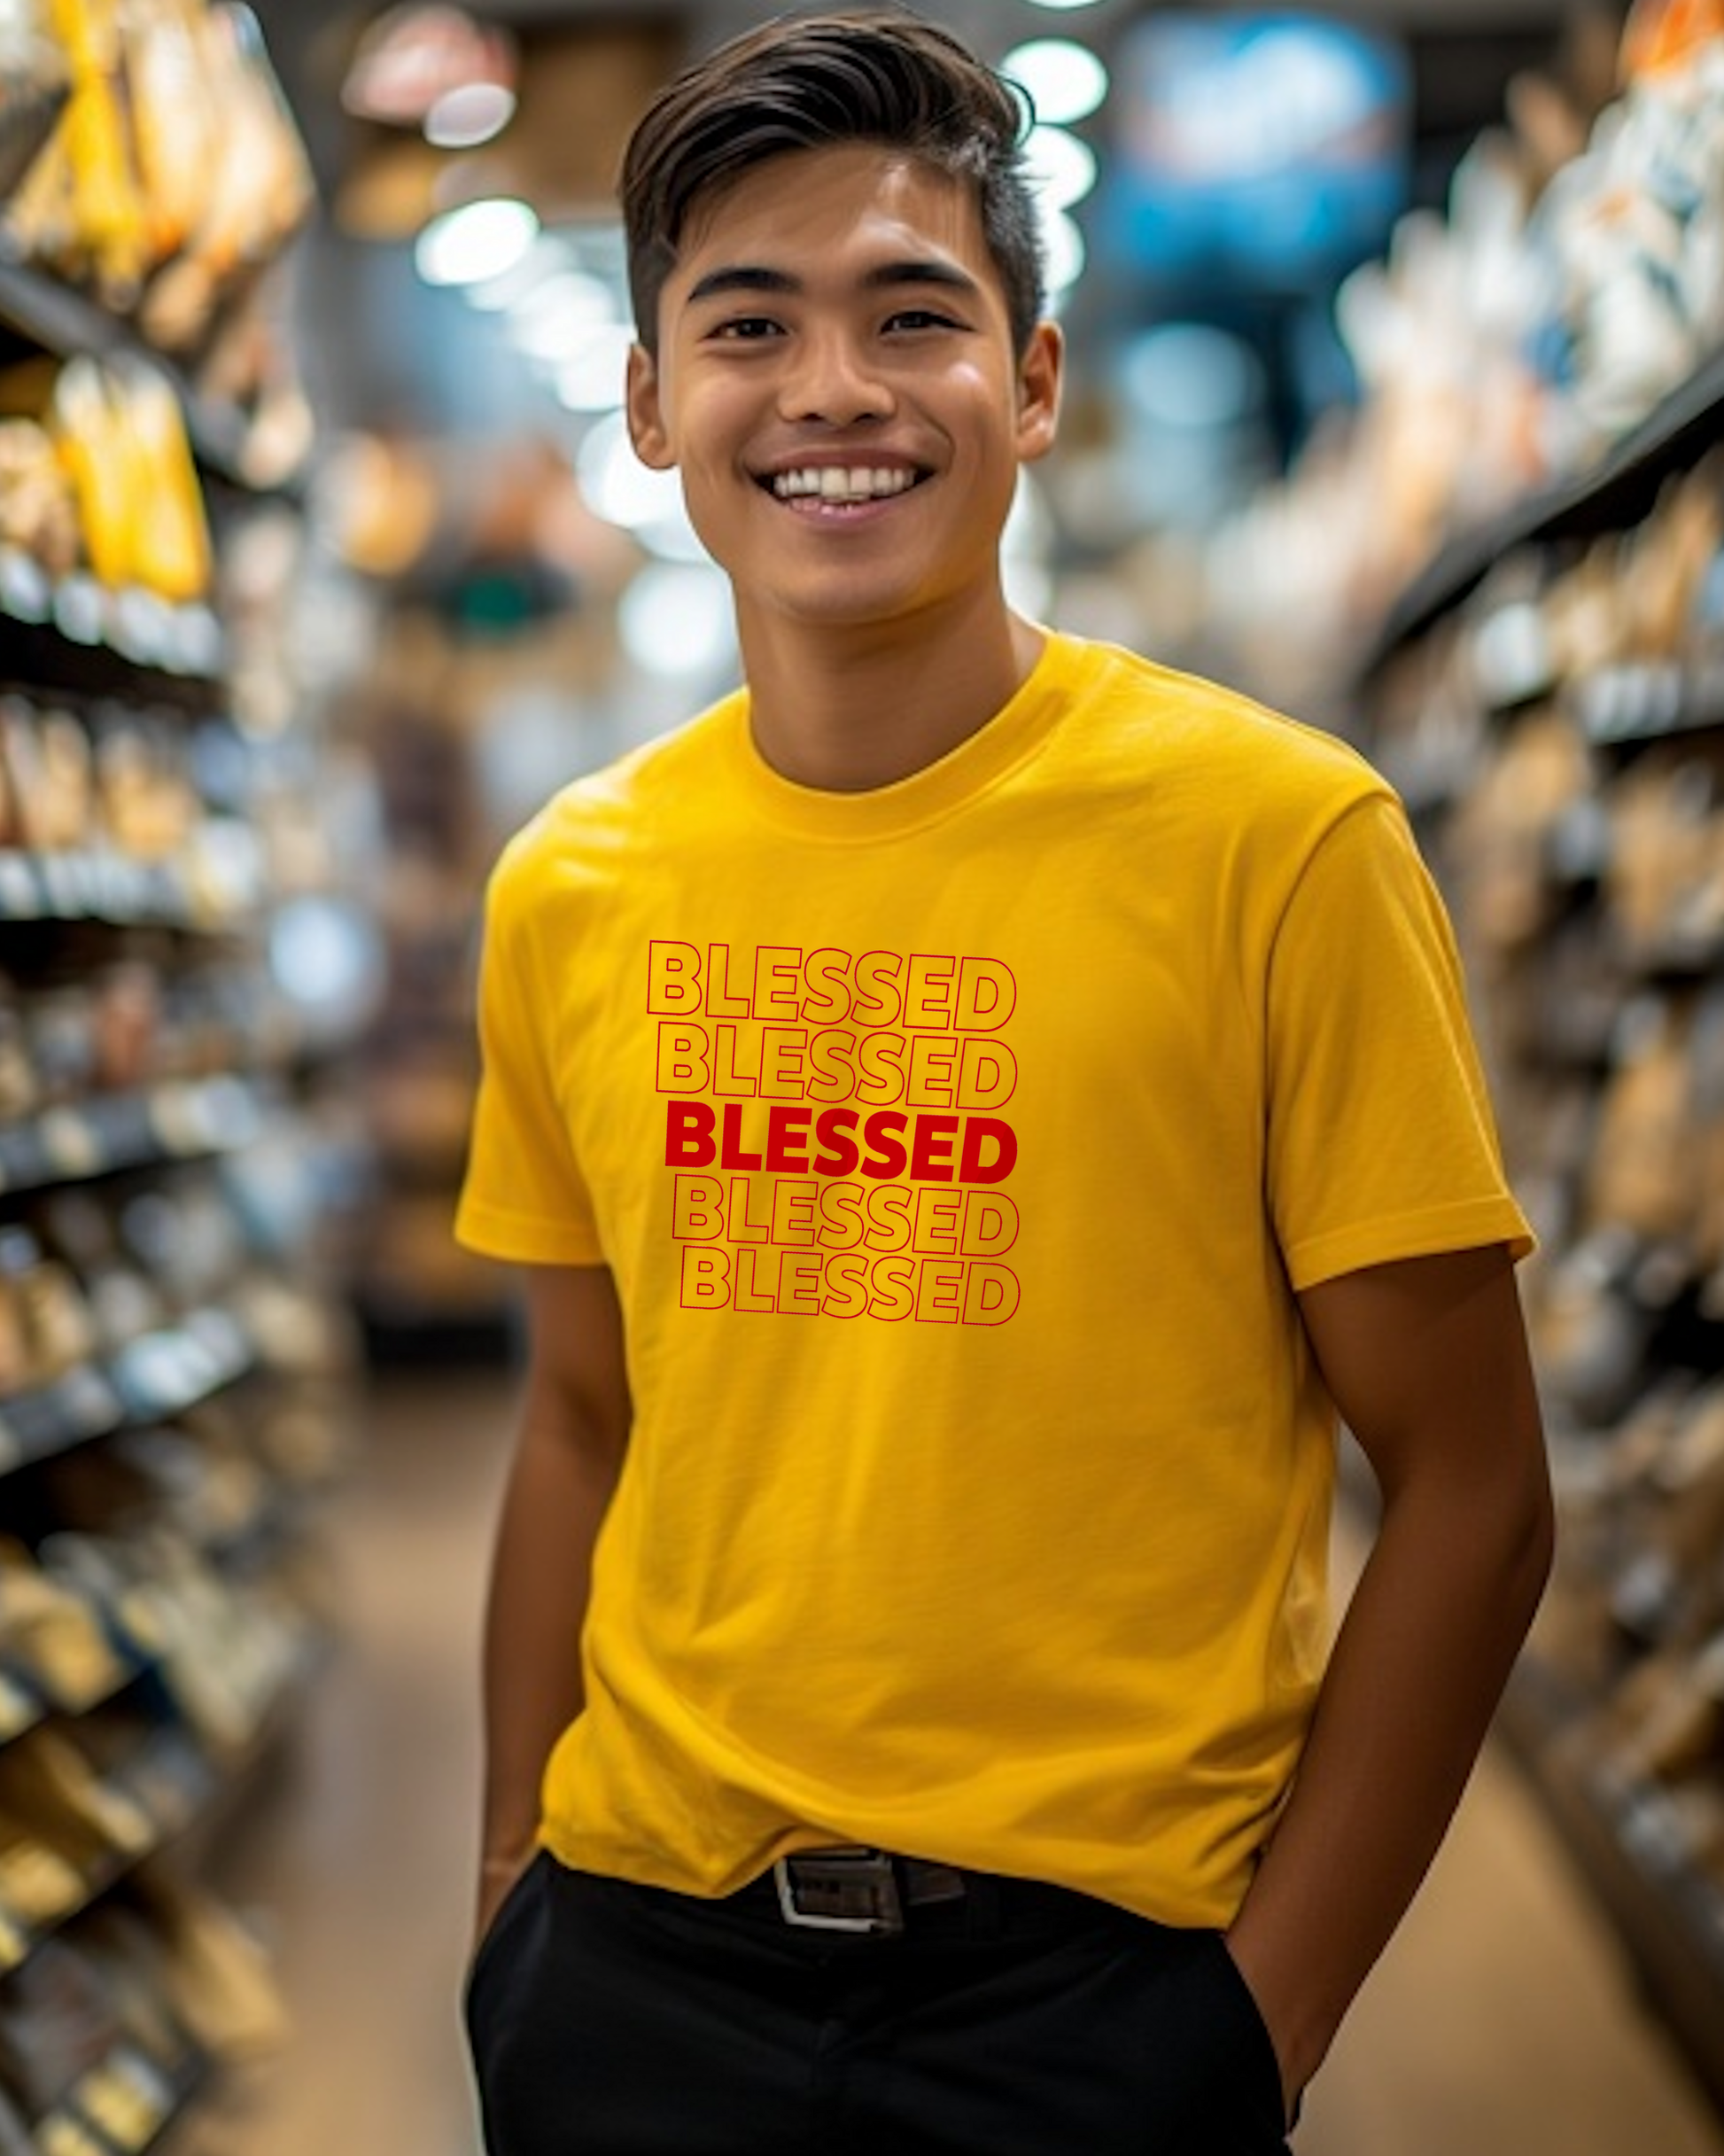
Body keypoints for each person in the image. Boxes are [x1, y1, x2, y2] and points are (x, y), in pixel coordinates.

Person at [453, 12, 1555, 2152]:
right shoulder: (570, 884)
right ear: (652, 402)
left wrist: (1257, 2024)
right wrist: (511, 1894)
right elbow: (580, 1416)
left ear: (1030, 384)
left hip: (1092, 2003)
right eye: (747, 325)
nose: (832, 390)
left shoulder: (1275, 842)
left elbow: (1472, 1486)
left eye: (912, 316)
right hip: (633, 1972)